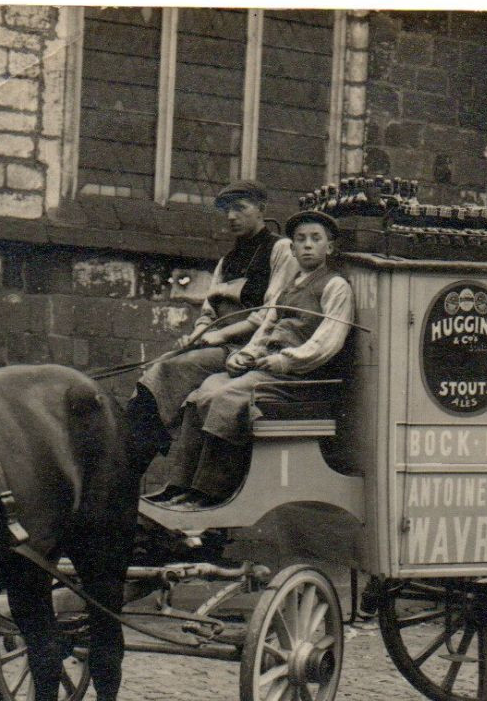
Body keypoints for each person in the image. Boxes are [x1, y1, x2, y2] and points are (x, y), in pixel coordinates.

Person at [152, 210, 354, 508]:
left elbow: (327, 341)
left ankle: (211, 493)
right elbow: (266, 329)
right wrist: (245, 355)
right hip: (268, 369)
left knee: (228, 398)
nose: (308, 245)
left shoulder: (335, 286)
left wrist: (287, 360)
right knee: (202, 393)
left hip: (298, 378)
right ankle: (181, 485)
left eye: (316, 239)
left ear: (330, 247)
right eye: (300, 240)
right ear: (292, 248)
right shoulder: (289, 287)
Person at [132, 180, 295, 485]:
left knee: (170, 369)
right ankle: (136, 451)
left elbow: (271, 313)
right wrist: (196, 335)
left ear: (260, 210)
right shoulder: (227, 260)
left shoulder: (281, 250)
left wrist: (219, 336)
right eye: (227, 210)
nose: (231, 216)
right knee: (160, 366)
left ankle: (135, 456)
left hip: (247, 349)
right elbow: (208, 311)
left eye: (240, 208)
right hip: (217, 344)